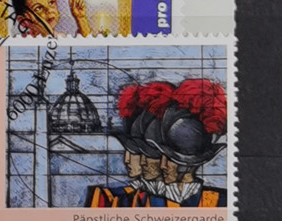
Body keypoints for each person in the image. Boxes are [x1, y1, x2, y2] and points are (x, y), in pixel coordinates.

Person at [86, 77, 228, 210]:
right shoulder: (116, 199)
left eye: (171, 158)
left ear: (191, 163)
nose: (162, 164)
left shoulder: (222, 202)